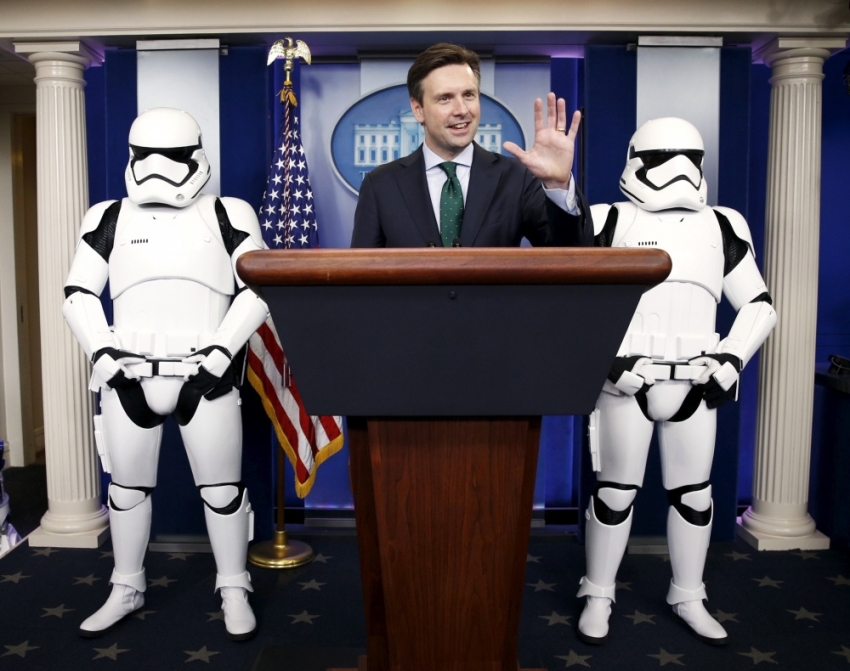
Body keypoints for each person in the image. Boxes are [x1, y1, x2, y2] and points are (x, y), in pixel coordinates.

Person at [62, 108, 269, 641]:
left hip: (207, 374)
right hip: (127, 375)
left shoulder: (229, 212)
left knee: (223, 490)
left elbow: (258, 288)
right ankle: (125, 585)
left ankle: (233, 584)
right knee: (125, 490)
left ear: (196, 156)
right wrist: (106, 357)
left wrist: (220, 356)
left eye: (172, 157)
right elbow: (79, 293)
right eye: (144, 157)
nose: (157, 170)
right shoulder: (107, 216)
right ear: (130, 158)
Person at [577, 117, 776, 646]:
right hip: (627, 379)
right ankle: (598, 589)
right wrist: (608, 363)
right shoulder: (607, 219)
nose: (680, 171)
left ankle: (688, 592)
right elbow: (572, 302)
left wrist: (731, 359)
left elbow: (758, 304)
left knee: (694, 495)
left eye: (691, 158)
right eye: (664, 158)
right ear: (636, 161)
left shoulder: (723, 225)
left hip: (696, 379)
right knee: (616, 492)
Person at [351, 42, 591, 248]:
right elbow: (361, 280)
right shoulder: (380, 186)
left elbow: (572, 256)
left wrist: (558, 185)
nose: (462, 110)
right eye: (445, 98)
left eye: (469, 95)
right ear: (418, 109)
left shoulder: (516, 179)